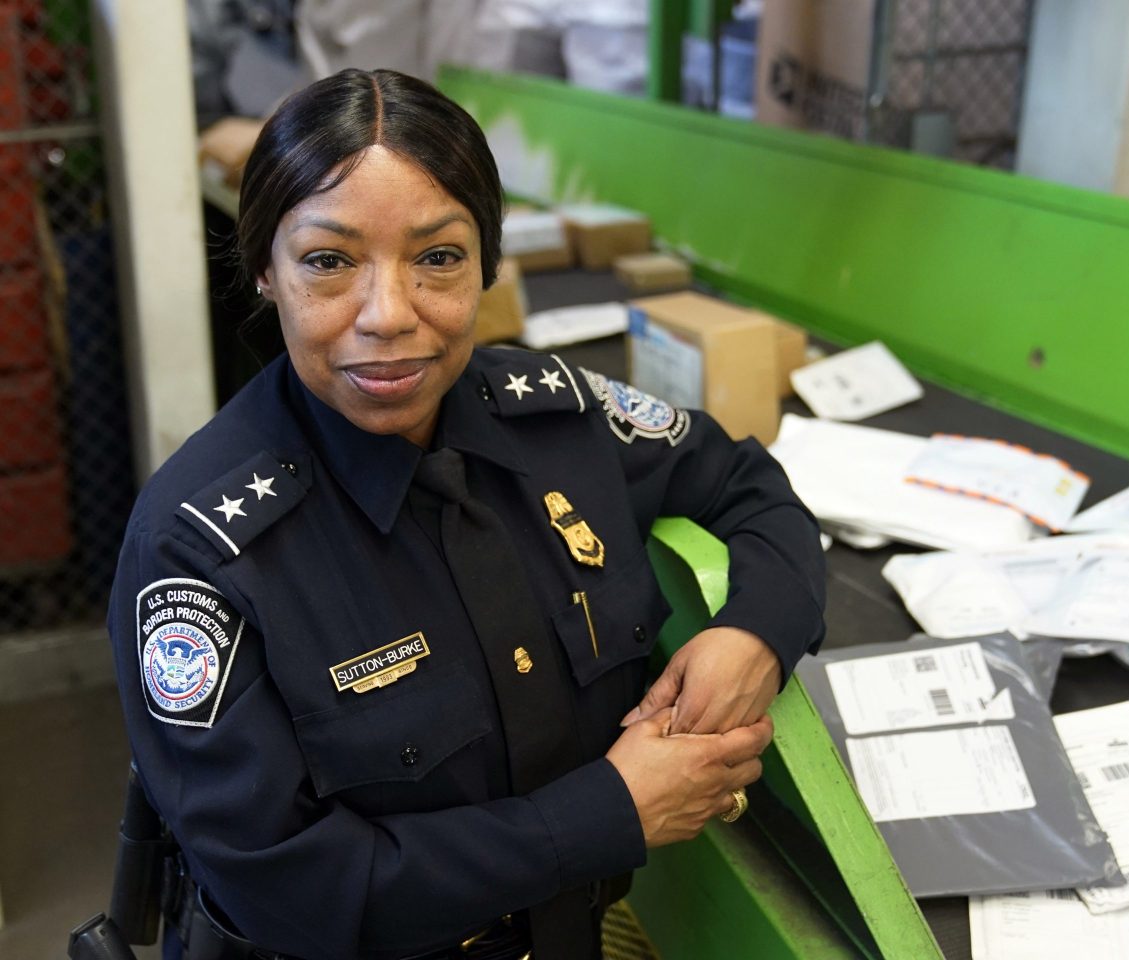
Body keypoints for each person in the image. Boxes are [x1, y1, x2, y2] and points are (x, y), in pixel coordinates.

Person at [109, 68, 826, 960]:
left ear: (489, 260)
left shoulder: (554, 416)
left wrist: (756, 633)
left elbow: (748, 483)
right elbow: (286, 889)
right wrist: (611, 813)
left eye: (438, 258)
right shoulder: (198, 550)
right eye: (329, 262)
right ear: (265, 270)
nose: (389, 316)